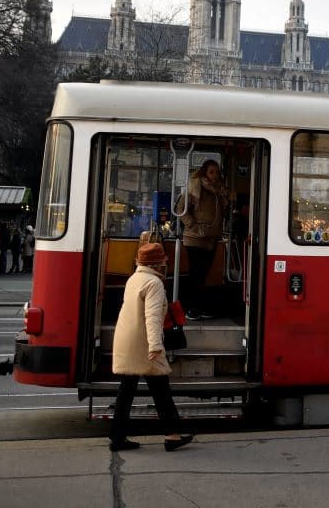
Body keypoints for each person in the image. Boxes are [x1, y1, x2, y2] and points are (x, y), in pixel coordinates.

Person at [109, 242, 194, 453]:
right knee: (161, 390)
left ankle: (118, 438)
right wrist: (155, 345)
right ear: (158, 263)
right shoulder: (154, 283)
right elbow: (153, 317)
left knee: (127, 390)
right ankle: (172, 435)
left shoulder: (134, 279)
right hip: (144, 343)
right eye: (163, 261)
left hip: (127, 339)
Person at [181, 159, 228, 320]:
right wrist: (193, 227)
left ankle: (198, 307)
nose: (214, 175)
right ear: (204, 172)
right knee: (195, 273)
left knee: (203, 275)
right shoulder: (195, 187)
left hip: (211, 238)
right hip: (195, 238)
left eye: (216, 172)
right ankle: (190, 308)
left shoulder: (219, 191)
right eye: (211, 172)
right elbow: (181, 209)